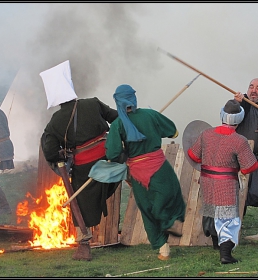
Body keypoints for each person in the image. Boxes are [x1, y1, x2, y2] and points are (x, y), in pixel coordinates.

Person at [40, 61, 121, 247]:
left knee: (80, 202)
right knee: (126, 168)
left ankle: (82, 237)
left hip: (84, 168)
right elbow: (116, 118)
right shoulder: (93, 103)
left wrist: (61, 155)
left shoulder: (55, 121)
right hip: (110, 159)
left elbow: (50, 151)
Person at [105, 84, 186, 261]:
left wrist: (125, 151)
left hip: (137, 172)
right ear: (133, 98)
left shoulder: (118, 124)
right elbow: (174, 132)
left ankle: (163, 250)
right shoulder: (151, 115)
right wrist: (153, 123)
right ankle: (169, 221)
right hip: (159, 167)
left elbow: (112, 153)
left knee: (147, 209)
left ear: (118, 102)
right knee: (169, 197)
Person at [187, 99, 258, 264]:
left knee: (212, 212)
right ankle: (225, 255)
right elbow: (249, 167)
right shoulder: (239, 140)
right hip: (225, 184)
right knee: (228, 219)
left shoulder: (206, 134)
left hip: (206, 181)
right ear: (239, 118)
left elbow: (193, 155)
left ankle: (216, 246)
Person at [234, 78, 258, 212]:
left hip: (256, 161)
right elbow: (230, 116)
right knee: (237, 195)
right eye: (251, 87)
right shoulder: (241, 105)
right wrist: (238, 104)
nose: (254, 91)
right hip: (239, 160)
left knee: (254, 194)